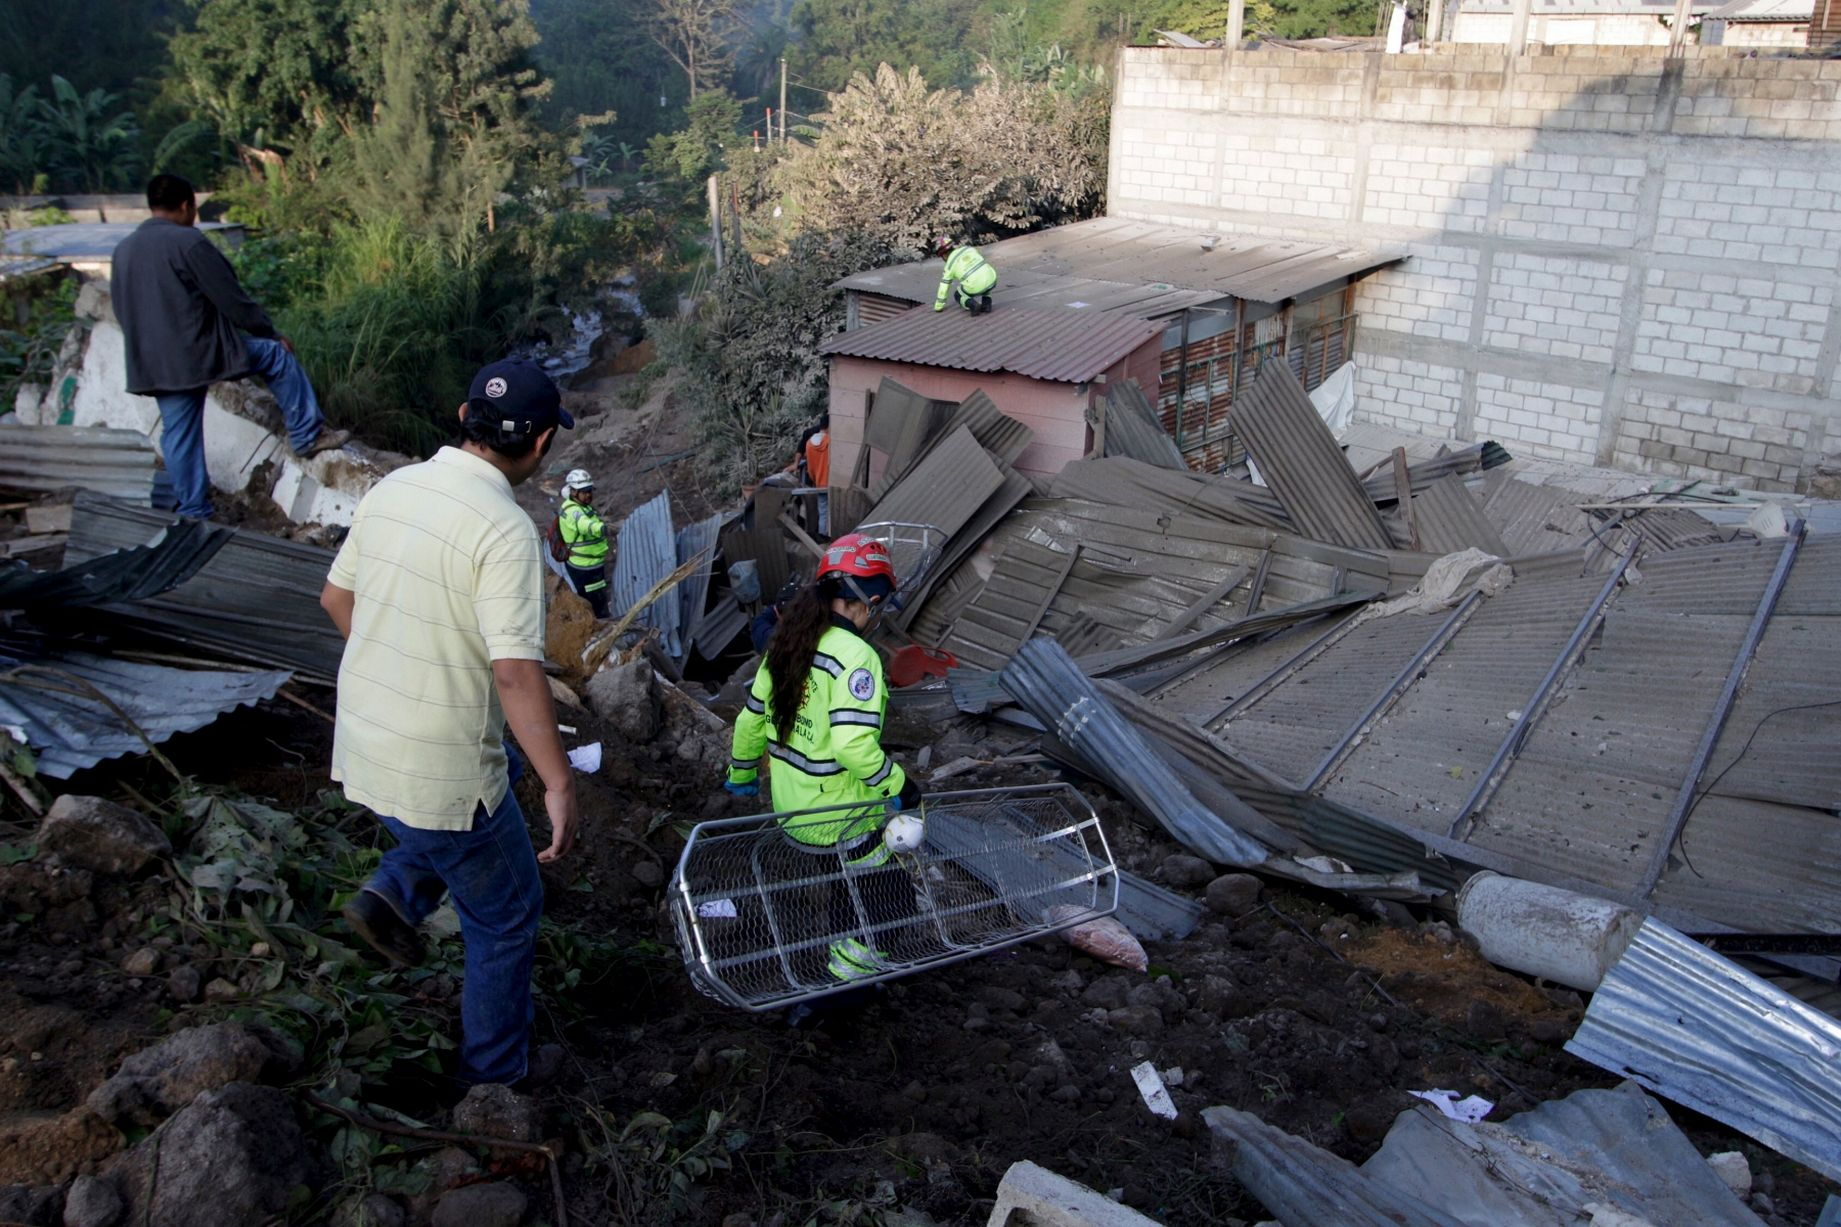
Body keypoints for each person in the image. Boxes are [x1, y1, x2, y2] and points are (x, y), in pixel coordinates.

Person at [319, 358, 579, 1090]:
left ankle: (395, 890)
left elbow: (335, 602)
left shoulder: (394, 487)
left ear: (466, 420)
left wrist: (398, 674)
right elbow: (514, 673)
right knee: (507, 914)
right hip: (439, 767)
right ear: (541, 446)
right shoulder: (505, 531)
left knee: (504, 768)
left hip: (366, 739)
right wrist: (562, 782)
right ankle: (493, 1084)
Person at [726, 533, 924, 982]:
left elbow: (748, 723)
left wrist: (741, 775)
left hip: (793, 813)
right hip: (841, 818)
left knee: (846, 888)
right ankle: (842, 987)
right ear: (870, 600)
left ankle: (840, 957)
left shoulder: (787, 641)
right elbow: (851, 746)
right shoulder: (856, 656)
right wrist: (900, 787)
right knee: (892, 905)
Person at [111, 174, 349, 520]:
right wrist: (268, 331)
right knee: (276, 356)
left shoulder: (123, 250)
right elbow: (231, 299)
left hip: (153, 361)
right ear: (184, 206)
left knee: (179, 435)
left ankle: (194, 512)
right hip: (198, 351)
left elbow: (121, 308)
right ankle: (306, 434)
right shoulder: (187, 242)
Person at [559, 468, 611, 618]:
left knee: (598, 600)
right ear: (574, 492)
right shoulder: (572, 511)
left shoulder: (580, 505)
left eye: (590, 490)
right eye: (585, 491)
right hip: (585, 567)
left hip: (591, 564)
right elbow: (584, 524)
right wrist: (601, 528)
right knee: (595, 606)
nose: (589, 495)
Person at [932, 237, 996, 315]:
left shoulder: (949, 266)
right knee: (983, 277)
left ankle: (972, 305)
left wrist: (938, 306)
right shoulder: (968, 249)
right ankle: (987, 304)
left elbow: (943, 287)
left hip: (975, 286)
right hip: (992, 278)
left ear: (944, 255)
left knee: (958, 294)